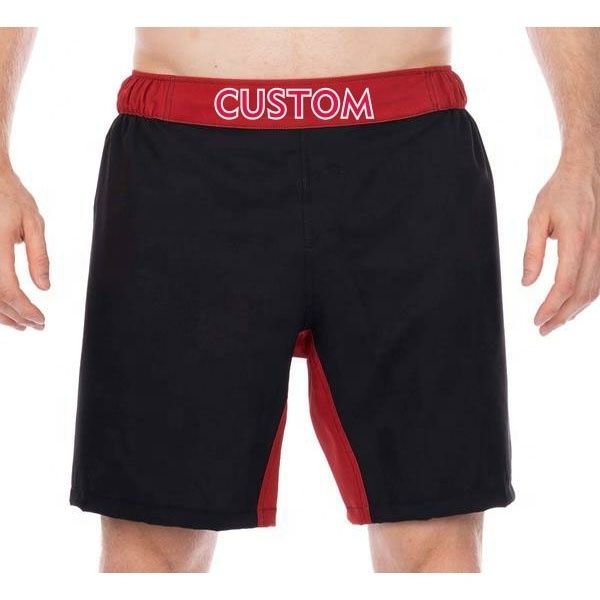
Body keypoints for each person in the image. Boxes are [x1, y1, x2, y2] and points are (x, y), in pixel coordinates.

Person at [0, 27, 598, 573]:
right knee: (152, 540)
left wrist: (586, 155)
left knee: (435, 537)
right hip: (183, 158)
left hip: (407, 156)